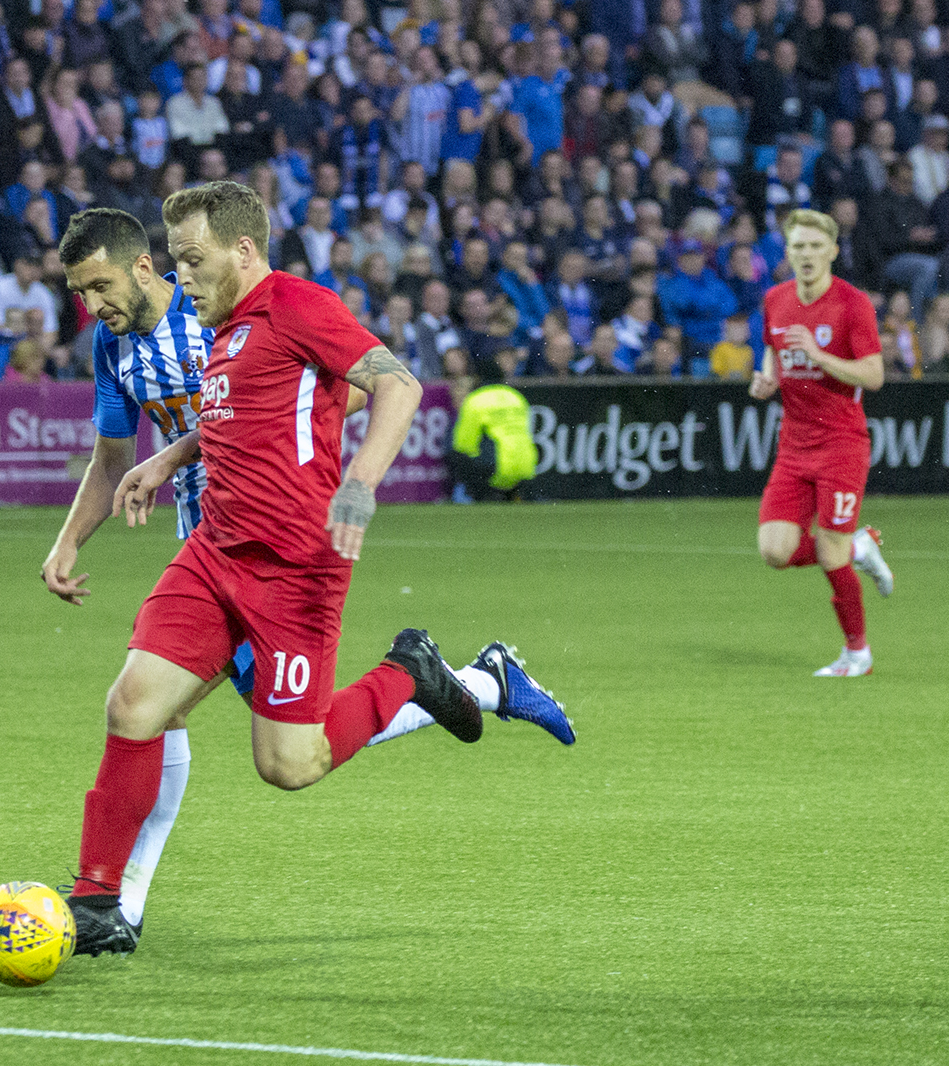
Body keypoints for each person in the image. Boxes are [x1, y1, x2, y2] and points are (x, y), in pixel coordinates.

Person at [49, 182, 573, 955]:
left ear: (243, 250)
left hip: (294, 569)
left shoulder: (297, 305)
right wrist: (171, 454)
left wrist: (358, 483)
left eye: (192, 261)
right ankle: (97, 902)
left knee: (289, 764)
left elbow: (396, 385)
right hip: (212, 553)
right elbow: (232, 417)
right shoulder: (219, 330)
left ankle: (416, 672)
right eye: (176, 262)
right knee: (134, 705)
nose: (181, 277)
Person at [750, 209, 895, 678]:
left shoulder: (853, 304)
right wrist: (768, 377)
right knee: (774, 550)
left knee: (829, 554)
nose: (807, 255)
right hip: (793, 444)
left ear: (833, 251)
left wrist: (818, 355)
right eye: (798, 247)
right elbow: (774, 346)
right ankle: (860, 546)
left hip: (841, 442)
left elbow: (873, 376)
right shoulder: (775, 299)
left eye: (816, 246)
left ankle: (858, 654)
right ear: (787, 252)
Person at [447, 357, 537, 502]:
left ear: (477, 378)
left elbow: (463, 444)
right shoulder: (516, 397)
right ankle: (512, 495)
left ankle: (478, 497)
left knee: (458, 454)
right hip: (527, 465)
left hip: (497, 468)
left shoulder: (476, 399)